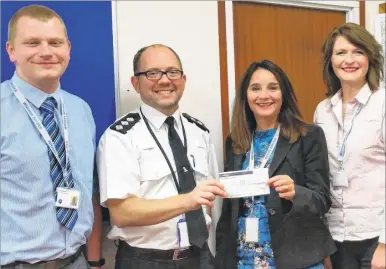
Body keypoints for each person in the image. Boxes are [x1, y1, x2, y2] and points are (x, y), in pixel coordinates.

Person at [96, 43, 226, 269]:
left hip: (201, 257)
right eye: (152, 73)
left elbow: (213, 204)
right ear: (136, 83)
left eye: (172, 72)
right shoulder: (120, 137)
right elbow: (121, 213)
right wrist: (187, 201)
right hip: (145, 261)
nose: (165, 80)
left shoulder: (200, 132)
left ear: (183, 79)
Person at [1, 5, 103, 269]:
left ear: (68, 48)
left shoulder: (81, 110)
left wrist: (94, 261)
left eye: (55, 42)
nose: (46, 52)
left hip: (76, 261)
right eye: (33, 43)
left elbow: (87, 190)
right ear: (11, 50)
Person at [215, 60, 336, 269]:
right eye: (255, 88)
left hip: (296, 259)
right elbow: (229, 209)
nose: (264, 95)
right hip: (245, 259)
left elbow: (322, 200)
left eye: (273, 87)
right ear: (246, 96)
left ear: (284, 95)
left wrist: (296, 192)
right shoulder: (235, 142)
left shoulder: (309, 136)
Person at [314, 22, 385, 269]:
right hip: (335, 238)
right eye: (341, 53)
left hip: (375, 238)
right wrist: (322, 243)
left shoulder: (382, 104)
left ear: (370, 58)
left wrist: (385, 243)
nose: (349, 60)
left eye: (358, 52)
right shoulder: (322, 111)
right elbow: (320, 177)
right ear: (330, 61)